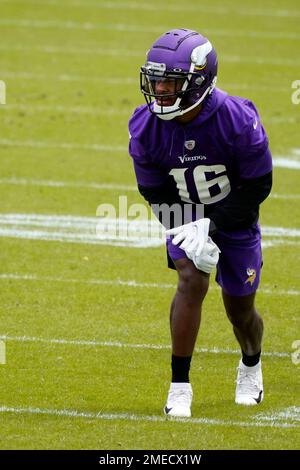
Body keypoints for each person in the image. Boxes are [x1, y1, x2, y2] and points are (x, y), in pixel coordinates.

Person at [128, 28, 272, 418]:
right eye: (156, 80)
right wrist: (185, 224)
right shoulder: (145, 127)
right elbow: (154, 190)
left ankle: (251, 365)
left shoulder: (237, 119)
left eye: (170, 82)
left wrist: (213, 223)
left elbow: (258, 185)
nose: (159, 90)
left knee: (240, 310)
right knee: (191, 279)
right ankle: (179, 386)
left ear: (199, 82)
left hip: (235, 218)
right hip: (186, 216)